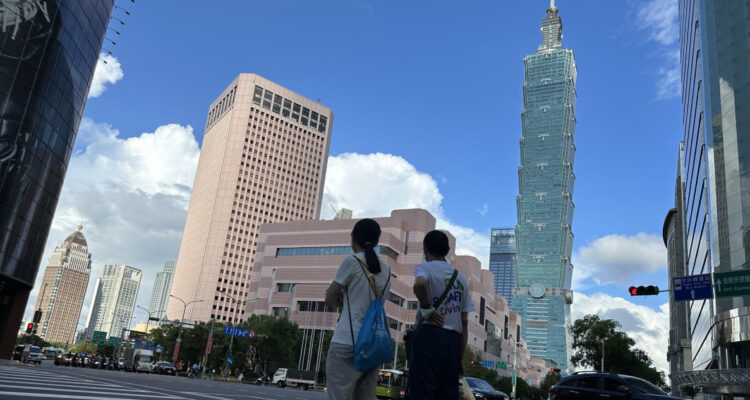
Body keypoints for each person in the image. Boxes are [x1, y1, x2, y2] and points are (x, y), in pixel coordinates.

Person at [324, 218, 392, 400]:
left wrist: (343, 304)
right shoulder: (386, 268)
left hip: (347, 341)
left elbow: (330, 297)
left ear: (353, 237)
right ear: (377, 242)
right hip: (373, 344)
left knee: (338, 395)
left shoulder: (352, 262)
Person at [408, 230, 474, 400]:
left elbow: (420, 284)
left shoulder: (424, 268)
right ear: (447, 249)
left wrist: (427, 308)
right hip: (452, 343)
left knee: (422, 391)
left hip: (429, 337)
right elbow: (464, 322)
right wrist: (460, 357)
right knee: (447, 393)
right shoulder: (461, 279)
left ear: (425, 249)